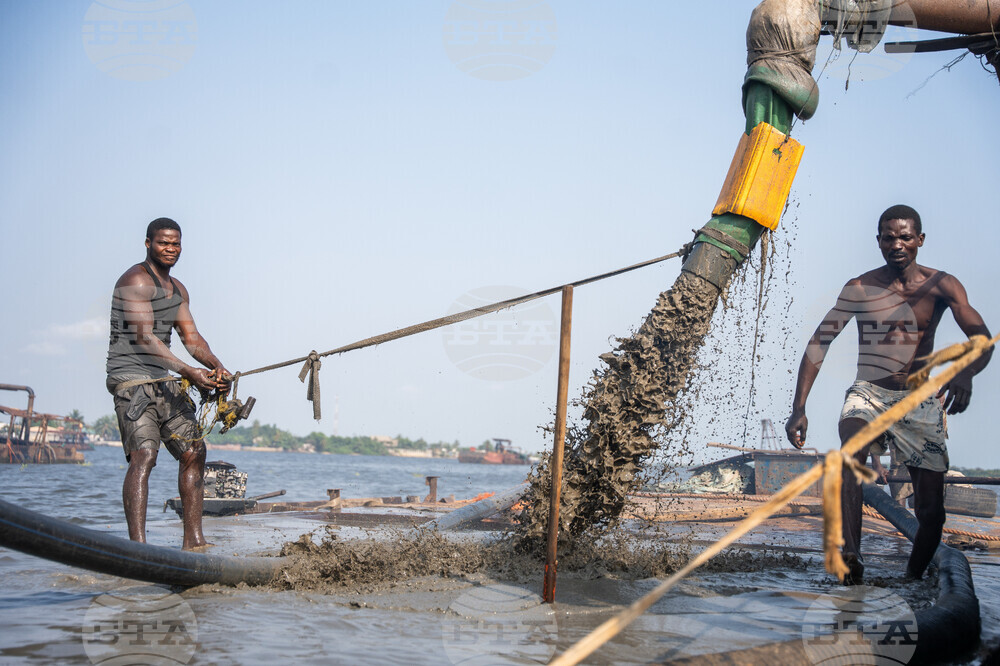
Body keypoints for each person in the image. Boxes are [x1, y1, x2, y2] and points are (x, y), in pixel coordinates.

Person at [785, 204, 991, 584]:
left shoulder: (943, 285)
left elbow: (982, 340)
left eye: (905, 237)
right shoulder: (861, 287)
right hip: (869, 393)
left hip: (919, 399)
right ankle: (852, 556)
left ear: (920, 240)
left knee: (931, 512)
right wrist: (799, 407)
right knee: (850, 451)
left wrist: (966, 373)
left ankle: (912, 579)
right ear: (878, 241)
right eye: (888, 237)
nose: (897, 244)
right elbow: (820, 341)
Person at [106, 218, 231, 551]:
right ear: (148, 243)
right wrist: (190, 372)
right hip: (132, 381)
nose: (171, 249)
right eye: (164, 243)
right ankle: (139, 548)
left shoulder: (178, 290)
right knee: (144, 456)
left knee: (194, 450)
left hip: (165, 380)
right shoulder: (134, 280)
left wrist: (218, 368)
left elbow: (191, 338)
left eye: (176, 244)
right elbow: (145, 338)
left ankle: (194, 541)